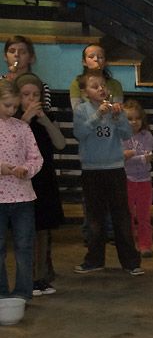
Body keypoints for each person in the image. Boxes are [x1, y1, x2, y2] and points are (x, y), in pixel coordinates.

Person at [72, 70, 143, 276]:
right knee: (95, 217)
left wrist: (118, 117)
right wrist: (98, 116)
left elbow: (127, 133)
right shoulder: (82, 110)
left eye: (103, 85)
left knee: (121, 216)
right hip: (92, 170)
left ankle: (131, 262)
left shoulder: (115, 109)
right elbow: (79, 133)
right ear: (85, 92)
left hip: (114, 168)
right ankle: (94, 259)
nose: (101, 89)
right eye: (95, 86)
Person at [14, 73, 65, 296]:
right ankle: (26, 279)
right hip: (23, 181)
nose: (31, 99)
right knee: (25, 233)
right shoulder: (13, 120)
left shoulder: (47, 118)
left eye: (35, 95)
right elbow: (10, 145)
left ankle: (40, 277)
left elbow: (60, 144)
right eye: (26, 95)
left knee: (43, 230)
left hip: (44, 179)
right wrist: (25, 120)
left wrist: (44, 120)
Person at [69, 43, 119, 243]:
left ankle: (111, 231)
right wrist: (97, 113)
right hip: (90, 144)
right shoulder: (77, 84)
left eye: (100, 56)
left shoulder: (114, 84)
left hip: (111, 144)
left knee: (112, 193)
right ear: (84, 61)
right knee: (90, 195)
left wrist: (111, 112)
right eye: (91, 56)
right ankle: (91, 232)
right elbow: (78, 113)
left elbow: (118, 112)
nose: (96, 60)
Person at [0, 79, 43, 301]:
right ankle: (1, 293)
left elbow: (36, 157)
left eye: (15, 106)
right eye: (7, 105)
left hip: (23, 197)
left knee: (24, 246)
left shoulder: (22, 128)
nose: (12, 110)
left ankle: (23, 292)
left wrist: (26, 169)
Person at [122, 99, 153, 257]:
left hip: (144, 181)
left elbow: (148, 156)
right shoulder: (121, 136)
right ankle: (129, 245)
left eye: (137, 118)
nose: (134, 122)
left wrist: (131, 155)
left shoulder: (147, 135)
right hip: (127, 179)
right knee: (127, 214)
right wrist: (140, 157)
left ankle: (145, 245)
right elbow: (121, 157)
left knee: (144, 215)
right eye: (129, 119)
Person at [2, 35, 52, 110]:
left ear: (31, 58)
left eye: (22, 52)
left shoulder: (41, 86)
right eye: (12, 51)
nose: (16, 55)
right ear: (5, 57)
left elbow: (45, 111)